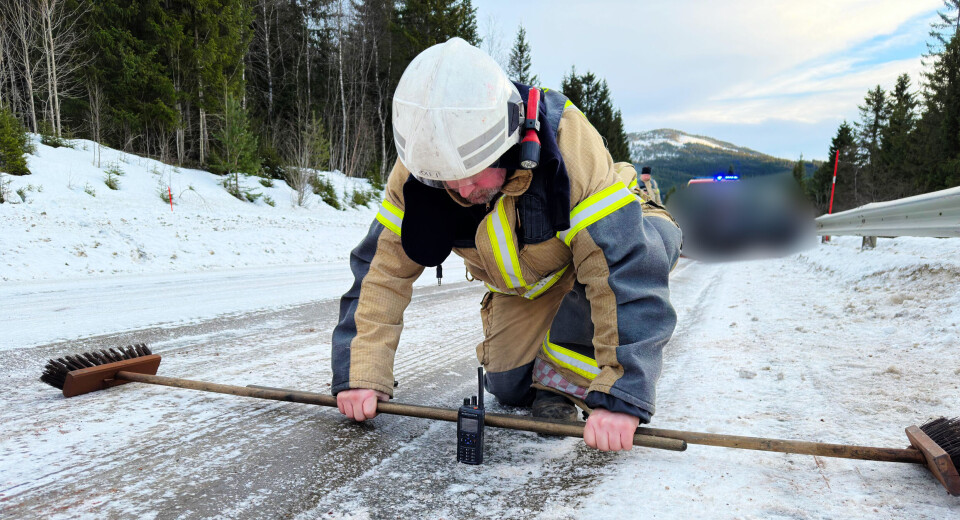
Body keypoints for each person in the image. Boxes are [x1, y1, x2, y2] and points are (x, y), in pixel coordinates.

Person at [331, 38, 681, 452]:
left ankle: (566, 376)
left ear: (507, 141)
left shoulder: (567, 146)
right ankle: (556, 362)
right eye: (448, 179)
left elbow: (620, 264)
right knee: (508, 386)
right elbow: (381, 272)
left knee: (644, 249)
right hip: (536, 279)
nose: (464, 190)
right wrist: (361, 374)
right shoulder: (423, 164)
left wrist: (622, 393)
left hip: (615, 241)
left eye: (475, 172)